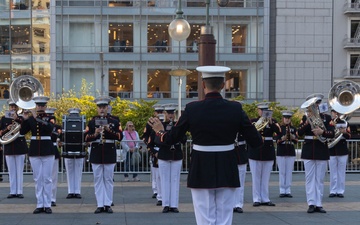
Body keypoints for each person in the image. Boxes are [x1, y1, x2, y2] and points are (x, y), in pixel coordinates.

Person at [148, 66, 263, 225]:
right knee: (224, 216)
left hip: (201, 165)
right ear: (223, 85)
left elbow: (172, 138)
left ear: (203, 85)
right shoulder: (235, 108)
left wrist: (160, 132)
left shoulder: (192, 108)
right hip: (227, 165)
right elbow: (256, 141)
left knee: (204, 216)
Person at [85, 96, 123, 214]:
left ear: (107, 108)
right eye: (100, 107)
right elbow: (86, 137)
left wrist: (108, 129)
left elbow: (120, 137)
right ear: (97, 109)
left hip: (109, 150)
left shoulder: (114, 121)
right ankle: (100, 204)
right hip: (96, 150)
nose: (102, 109)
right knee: (98, 179)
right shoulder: (92, 121)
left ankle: (107, 203)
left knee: (108, 178)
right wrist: (96, 134)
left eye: (104, 107)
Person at [298, 93, 335, 213]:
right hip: (309, 149)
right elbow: (299, 133)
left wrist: (322, 132)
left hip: (321, 149)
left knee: (319, 178)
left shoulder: (327, 118)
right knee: (309, 178)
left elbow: (332, 133)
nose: (315, 106)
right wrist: (307, 123)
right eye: (313, 104)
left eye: (317, 104)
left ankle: (318, 203)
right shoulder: (305, 118)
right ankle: (311, 203)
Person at [20, 96, 55, 214]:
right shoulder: (30, 119)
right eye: (38, 105)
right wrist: (24, 119)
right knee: (38, 178)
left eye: (42, 105)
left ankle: (48, 204)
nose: (40, 107)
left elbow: (50, 128)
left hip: (47, 149)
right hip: (35, 149)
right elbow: (22, 132)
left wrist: (36, 118)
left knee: (47, 178)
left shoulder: (50, 117)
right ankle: (40, 204)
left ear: (45, 107)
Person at [248, 102, 281, 207]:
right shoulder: (253, 121)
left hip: (268, 150)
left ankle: (265, 198)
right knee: (256, 177)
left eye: (265, 110)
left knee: (266, 177)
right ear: (258, 111)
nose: (263, 112)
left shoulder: (273, 121)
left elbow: (279, 133)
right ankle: (256, 198)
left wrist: (271, 123)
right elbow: (250, 133)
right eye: (261, 110)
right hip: (256, 151)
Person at [156, 104, 186, 213]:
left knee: (174, 180)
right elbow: (157, 140)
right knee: (164, 180)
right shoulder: (161, 126)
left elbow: (184, 140)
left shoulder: (178, 125)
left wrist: (177, 131)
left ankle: (174, 204)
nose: (170, 115)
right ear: (165, 114)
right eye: (168, 113)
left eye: (172, 113)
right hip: (164, 154)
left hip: (176, 154)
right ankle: (165, 204)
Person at [0, 99, 28, 197]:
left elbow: (24, 130)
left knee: (19, 170)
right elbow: (0, 133)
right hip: (9, 146)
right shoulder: (4, 119)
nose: (13, 108)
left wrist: (18, 119)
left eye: (14, 106)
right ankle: (12, 191)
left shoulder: (22, 118)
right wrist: (6, 129)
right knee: (11, 171)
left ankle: (19, 191)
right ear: (9, 107)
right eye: (11, 106)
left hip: (19, 145)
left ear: (17, 107)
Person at [142, 104, 164, 200]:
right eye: (157, 112)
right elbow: (145, 136)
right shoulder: (150, 124)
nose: (159, 114)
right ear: (154, 113)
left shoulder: (164, 123)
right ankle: (156, 190)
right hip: (154, 148)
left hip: (163, 148)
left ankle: (161, 192)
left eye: (161, 112)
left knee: (161, 173)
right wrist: (150, 148)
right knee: (155, 173)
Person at [63, 108, 86, 199]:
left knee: (78, 171)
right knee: (69, 171)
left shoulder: (82, 122)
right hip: (68, 148)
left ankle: (77, 191)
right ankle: (71, 191)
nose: (73, 117)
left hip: (79, 149)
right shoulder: (65, 122)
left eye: (75, 115)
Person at [328, 108, 350, 198]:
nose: (335, 114)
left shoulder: (345, 122)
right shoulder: (329, 123)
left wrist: (344, 132)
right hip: (332, 149)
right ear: (332, 113)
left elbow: (349, 136)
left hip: (342, 149)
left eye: (337, 112)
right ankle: (333, 190)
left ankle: (340, 190)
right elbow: (326, 134)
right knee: (333, 171)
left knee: (341, 172)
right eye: (333, 112)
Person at [276, 110, 298, 198]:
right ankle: (282, 190)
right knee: (282, 172)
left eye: (289, 118)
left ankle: (287, 190)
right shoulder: (279, 128)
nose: (287, 120)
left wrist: (293, 137)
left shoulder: (293, 128)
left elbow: (296, 140)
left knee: (289, 172)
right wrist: (282, 138)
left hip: (290, 150)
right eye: (286, 118)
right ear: (283, 118)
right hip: (281, 151)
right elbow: (276, 140)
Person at [44, 107, 62, 207]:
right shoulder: (42, 125)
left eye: (52, 117)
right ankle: (45, 197)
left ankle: (52, 198)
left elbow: (58, 135)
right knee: (45, 176)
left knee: (53, 177)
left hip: (53, 149)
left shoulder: (57, 127)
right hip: (44, 149)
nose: (50, 119)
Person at [233, 133, 247, 214]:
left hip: (241, 154)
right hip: (230, 153)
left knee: (241, 182)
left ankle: (238, 204)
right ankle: (230, 204)